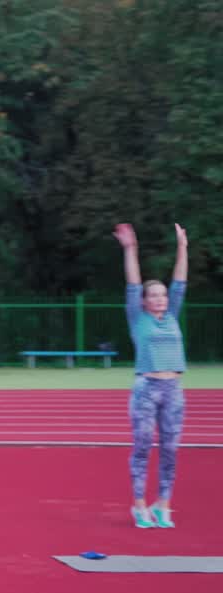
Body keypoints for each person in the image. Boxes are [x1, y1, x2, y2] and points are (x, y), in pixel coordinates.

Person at [115, 222, 188, 529]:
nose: (160, 299)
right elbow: (133, 283)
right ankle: (139, 505)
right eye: (153, 295)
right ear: (144, 301)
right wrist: (130, 249)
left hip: (173, 389)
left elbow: (180, 282)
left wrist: (182, 247)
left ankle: (163, 504)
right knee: (143, 448)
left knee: (170, 449)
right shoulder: (138, 319)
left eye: (163, 295)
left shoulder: (172, 316)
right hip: (147, 388)